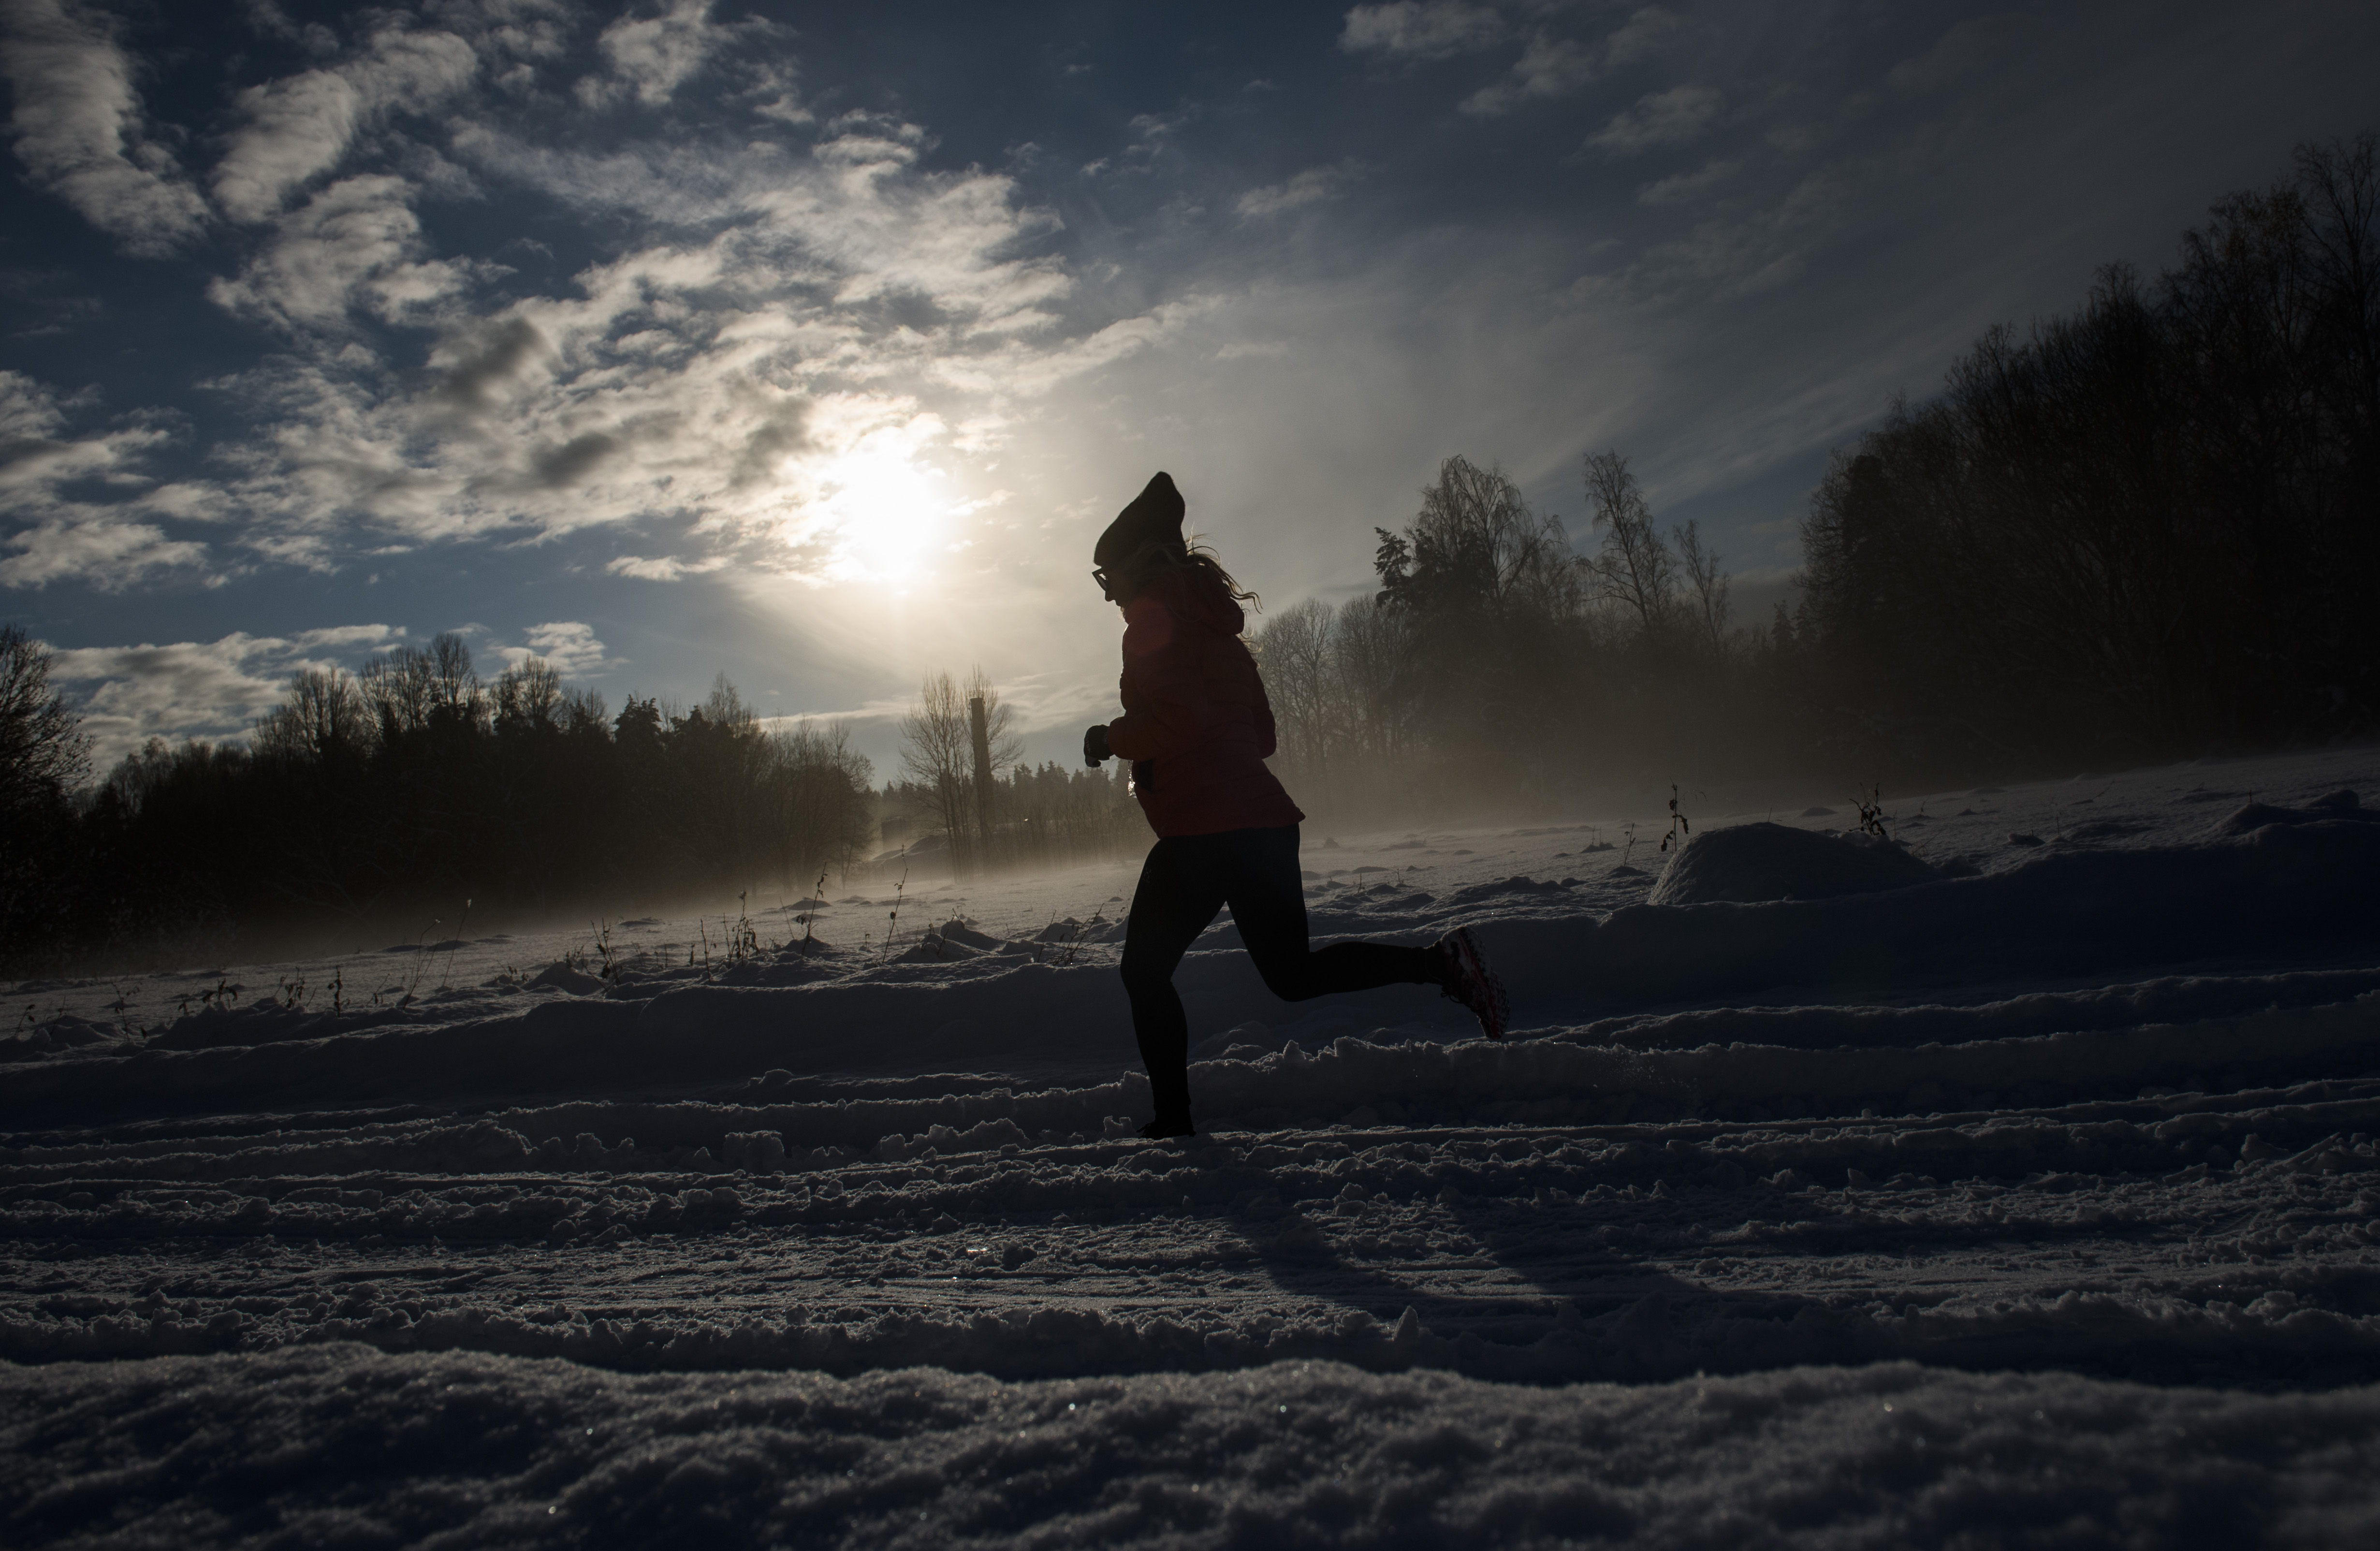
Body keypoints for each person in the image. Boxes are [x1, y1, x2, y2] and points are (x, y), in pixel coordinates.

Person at [1082, 471, 1509, 1140]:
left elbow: (1182, 721)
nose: (1111, 596)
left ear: (1135, 567)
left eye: (1110, 579)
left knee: (1143, 972)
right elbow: (1265, 737)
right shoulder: (1220, 633)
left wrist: (1110, 738)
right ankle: (1440, 964)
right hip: (1263, 827)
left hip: (1203, 833)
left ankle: (1174, 1122)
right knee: (1293, 975)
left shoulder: (1151, 623)